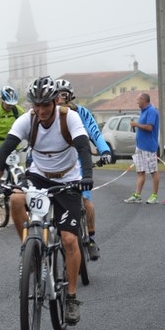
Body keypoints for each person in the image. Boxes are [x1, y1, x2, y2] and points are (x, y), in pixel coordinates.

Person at [0, 76, 93, 325]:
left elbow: (84, 148)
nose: (41, 111)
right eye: (36, 105)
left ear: (55, 101)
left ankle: (72, 297)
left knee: (69, 239)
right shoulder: (28, 120)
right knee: (15, 200)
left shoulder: (69, 118)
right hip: (38, 176)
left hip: (68, 180)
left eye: (46, 105)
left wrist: (87, 176)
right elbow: (5, 148)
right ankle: (29, 249)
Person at [55, 79, 112, 260]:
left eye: (63, 94)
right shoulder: (50, 113)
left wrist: (104, 151)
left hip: (80, 163)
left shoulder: (82, 113)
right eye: (56, 94)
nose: (60, 98)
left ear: (70, 95)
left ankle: (91, 240)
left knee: (86, 203)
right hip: (58, 164)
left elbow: (95, 133)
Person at [124, 93, 161, 204]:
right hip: (140, 146)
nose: (137, 102)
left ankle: (154, 196)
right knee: (140, 171)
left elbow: (149, 127)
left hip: (149, 147)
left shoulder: (152, 111)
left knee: (153, 171)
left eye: (138, 100)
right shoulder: (143, 111)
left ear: (144, 100)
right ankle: (137, 195)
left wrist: (136, 124)